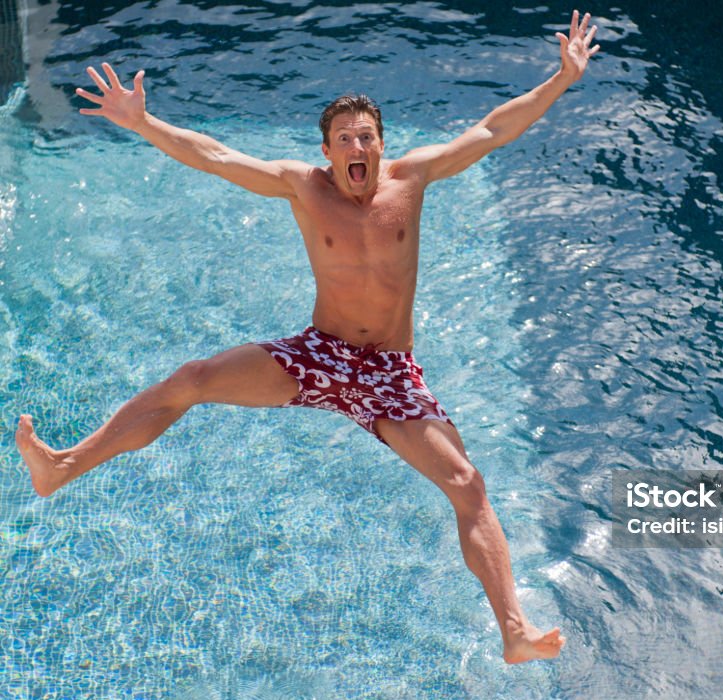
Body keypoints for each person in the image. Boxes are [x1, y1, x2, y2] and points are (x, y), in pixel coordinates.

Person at [16, 11, 598, 663]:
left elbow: (493, 128)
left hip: (390, 374)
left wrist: (560, 79)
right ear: (327, 151)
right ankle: (62, 466)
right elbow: (217, 156)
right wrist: (144, 124)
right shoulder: (303, 186)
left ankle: (513, 629)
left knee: (467, 484)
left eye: (368, 137)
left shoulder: (414, 177)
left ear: (384, 144)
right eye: (345, 139)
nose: (358, 148)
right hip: (319, 354)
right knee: (193, 380)